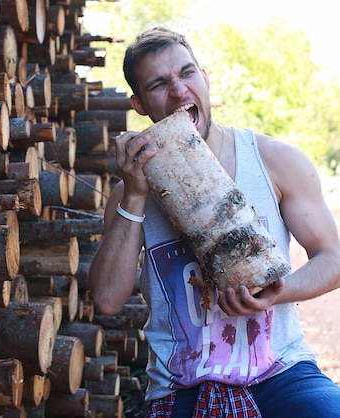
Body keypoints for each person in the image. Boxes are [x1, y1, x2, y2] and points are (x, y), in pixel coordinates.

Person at [88, 26, 340, 417]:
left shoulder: (274, 161)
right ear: (139, 104)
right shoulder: (130, 191)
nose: (178, 91)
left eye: (187, 73)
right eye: (159, 84)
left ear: (205, 78)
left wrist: (279, 291)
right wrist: (135, 194)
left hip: (283, 373)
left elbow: (333, 258)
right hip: (181, 384)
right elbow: (107, 300)